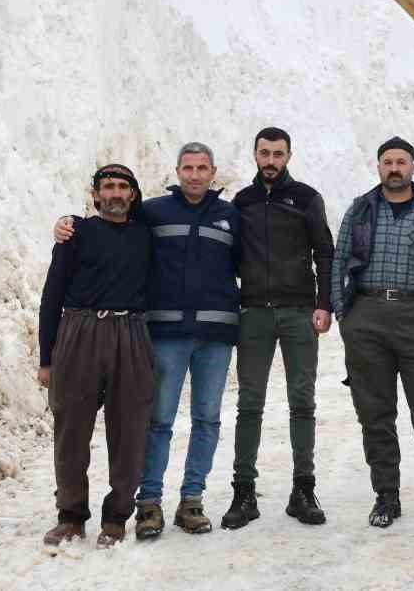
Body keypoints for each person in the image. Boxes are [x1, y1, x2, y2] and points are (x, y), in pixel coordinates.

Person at [54, 141, 241, 540]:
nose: (194, 174)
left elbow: (246, 263)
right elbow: (105, 223)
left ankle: (188, 500)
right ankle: (144, 504)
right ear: (177, 171)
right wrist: (68, 221)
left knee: (204, 418)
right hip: (162, 333)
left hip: (209, 334)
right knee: (155, 420)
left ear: (213, 172)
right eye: (187, 167)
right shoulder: (152, 212)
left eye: (202, 168)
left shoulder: (230, 216)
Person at [331, 136, 414, 531]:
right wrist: (343, 313)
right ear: (378, 167)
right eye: (387, 161)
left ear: (413, 167)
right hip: (366, 317)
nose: (394, 168)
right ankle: (386, 495)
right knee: (375, 414)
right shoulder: (360, 210)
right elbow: (338, 259)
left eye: (401, 161)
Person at [221, 127, 334, 530]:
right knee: (249, 403)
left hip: (299, 312)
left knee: (302, 401)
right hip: (254, 313)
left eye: (278, 154)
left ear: (288, 156)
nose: (271, 160)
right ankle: (243, 491)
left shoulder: (306, 198)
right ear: (254, 155)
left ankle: (303, 489)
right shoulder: (243, 202)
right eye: (264, 153)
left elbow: (325, 251)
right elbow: (229, 256)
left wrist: (324, 304)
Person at [37, 163, 155, 550]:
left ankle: (117, 516)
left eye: (123, 187)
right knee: (71, 427)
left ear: (133, 195)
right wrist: (46, 357)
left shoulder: (146, 234)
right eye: (108, 186)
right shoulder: (76, 234)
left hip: (131, 332)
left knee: (130, 427)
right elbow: (52, 295)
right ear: (95, 195)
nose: (115, 193)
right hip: (79, 330)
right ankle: (70, 515)